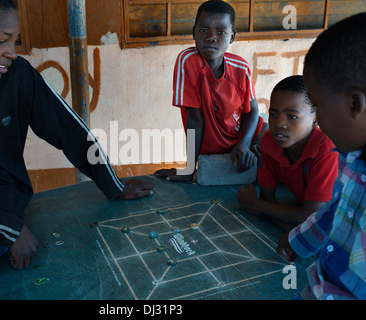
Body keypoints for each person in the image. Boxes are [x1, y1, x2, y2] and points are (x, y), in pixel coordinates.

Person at [0, 0, 153, 300]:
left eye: (13, 41)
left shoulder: (18, 76)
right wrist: (7, 229)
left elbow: (70, 130)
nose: (12, 52)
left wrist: (113, 185)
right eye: (1, 41)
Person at [276, 13, 366, 300]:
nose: (317, 120)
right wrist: (298, 241)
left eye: (316, 104)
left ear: (355, 103)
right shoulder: (351, 157)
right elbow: (336, 208)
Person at [155, 0, 265, 182]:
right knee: (207, 177)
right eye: (203, 30)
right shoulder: (188, 61)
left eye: (221, 32)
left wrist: (245, 144)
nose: (211, 37)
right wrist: (189, 168)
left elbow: (252, 111)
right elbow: (194, 119)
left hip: (248, 141)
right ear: (193, 33)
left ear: (232, 37)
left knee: (282, 154)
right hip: (217, 153)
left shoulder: (241, 67)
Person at [237, 75, 338, 233]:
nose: (279, 124)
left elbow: (310, 217)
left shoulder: (326, 150)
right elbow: (268, 200)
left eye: (292, 117)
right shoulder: (269, 141)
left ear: (315, 118)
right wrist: (269, 211)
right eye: (273, 114)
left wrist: (254, 204)